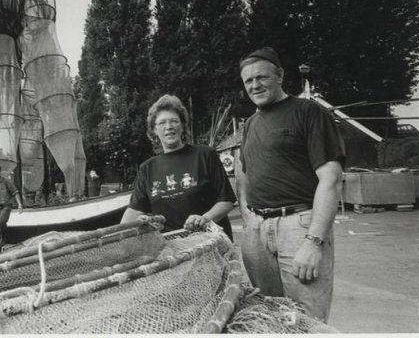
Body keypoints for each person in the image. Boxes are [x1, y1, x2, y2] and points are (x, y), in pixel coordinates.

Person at [237, 47, 345, 323]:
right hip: (257, 233)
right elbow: (244, 176)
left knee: (307, 322)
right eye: (248, 81)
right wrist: (249, 219)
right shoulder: (249, 125)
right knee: (269, 317)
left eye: (261, 77)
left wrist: (314, 241)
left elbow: (330, 179)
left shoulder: (309, 112)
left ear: (280, 75)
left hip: (298, 227)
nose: (255, 85)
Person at [121, 94, 236, 239]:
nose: (168, 127)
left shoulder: (205, 155)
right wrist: (135, 224)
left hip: (211, 243)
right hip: (173, 249)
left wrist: (205, 218)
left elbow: (227, 201)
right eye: (162, 123)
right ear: (154, 130)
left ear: (182, 125)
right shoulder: (147, 169)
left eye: (174, 121)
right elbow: (134, 212)